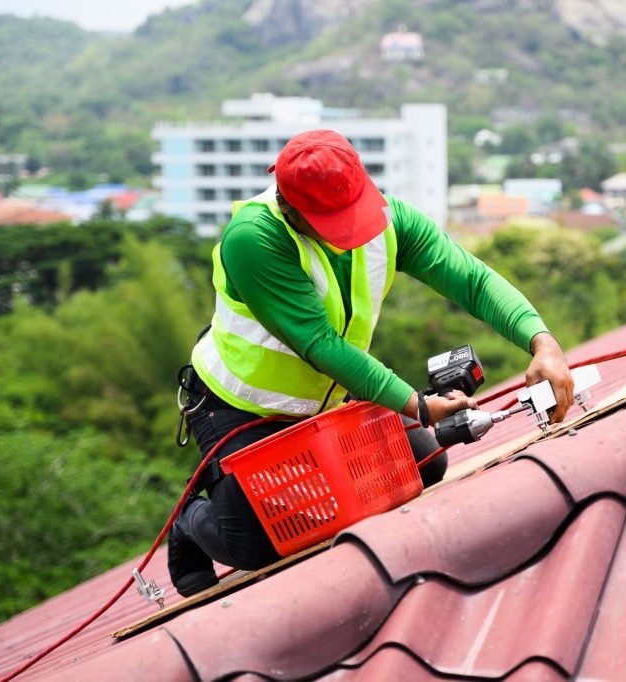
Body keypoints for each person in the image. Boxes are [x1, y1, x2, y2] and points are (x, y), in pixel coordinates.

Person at [168, 129, 574, 597]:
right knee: (260, 543)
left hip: (330, 398)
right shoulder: (253, 239)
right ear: (290, 206)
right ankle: (188, 522)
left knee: (424, 465)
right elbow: (319, 343)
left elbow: (471, 280)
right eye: (331, 220)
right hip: (240, 409)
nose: (350, 232)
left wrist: (543, 342)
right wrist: (417, 405)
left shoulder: (389, 216)